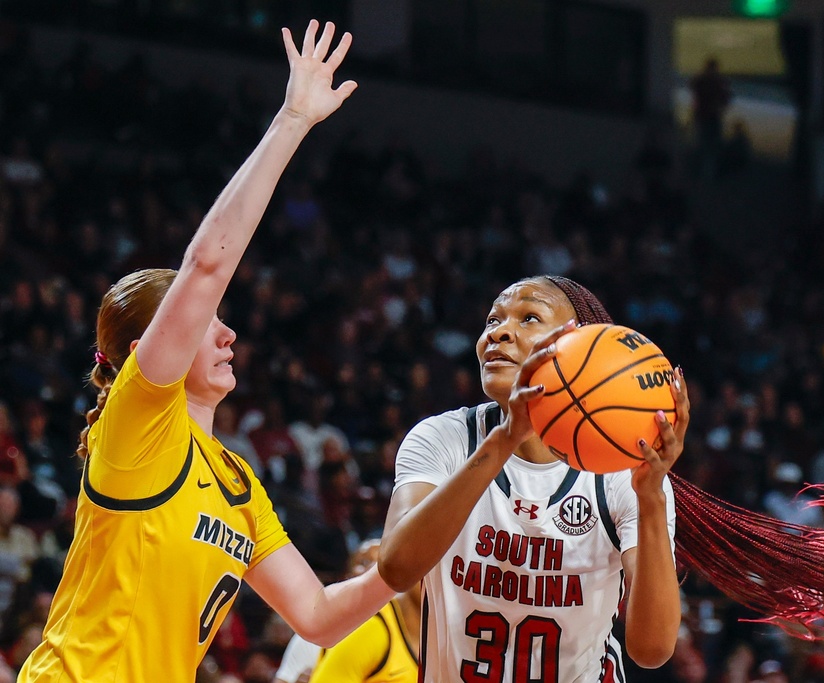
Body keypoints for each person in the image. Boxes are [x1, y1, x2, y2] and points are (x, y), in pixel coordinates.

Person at [19, 20, 393, 682]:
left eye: (223, 323)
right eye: (205, 326)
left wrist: (419, 554)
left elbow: (319, 614)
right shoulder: (138, 419)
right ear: (145, 351)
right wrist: (293, 121)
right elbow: (204, 267)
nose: (227, 334)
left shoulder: (238, 483)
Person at [378, 275, 690, 681]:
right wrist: (505, 440)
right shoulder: (444, 438)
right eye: (492, 320)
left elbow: (652, 650)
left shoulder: (620, 473)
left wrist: (651, 500)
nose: (499, 332)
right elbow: (397, 569)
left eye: (529, 318)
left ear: (576, 344)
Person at [277, 539, 420, 683]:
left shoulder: (418, 629)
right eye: (365, 562)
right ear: (347, 574)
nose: (373, 569)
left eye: (379, 563)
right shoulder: (312, 632)